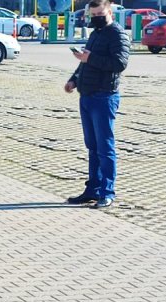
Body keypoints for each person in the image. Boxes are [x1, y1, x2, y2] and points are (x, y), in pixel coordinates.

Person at [64, 0, 130, 209]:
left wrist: (90, 58)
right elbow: (85, 61)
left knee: (105, 147)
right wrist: (74, 80)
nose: (96, 18)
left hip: (104, 96)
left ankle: (107, 192)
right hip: (87, 95)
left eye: (99, 14)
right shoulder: (96, 33)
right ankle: (92, 189)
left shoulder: (117, 34)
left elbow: (119, 64)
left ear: (109, 11)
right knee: (92, 146)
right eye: (93, 15)